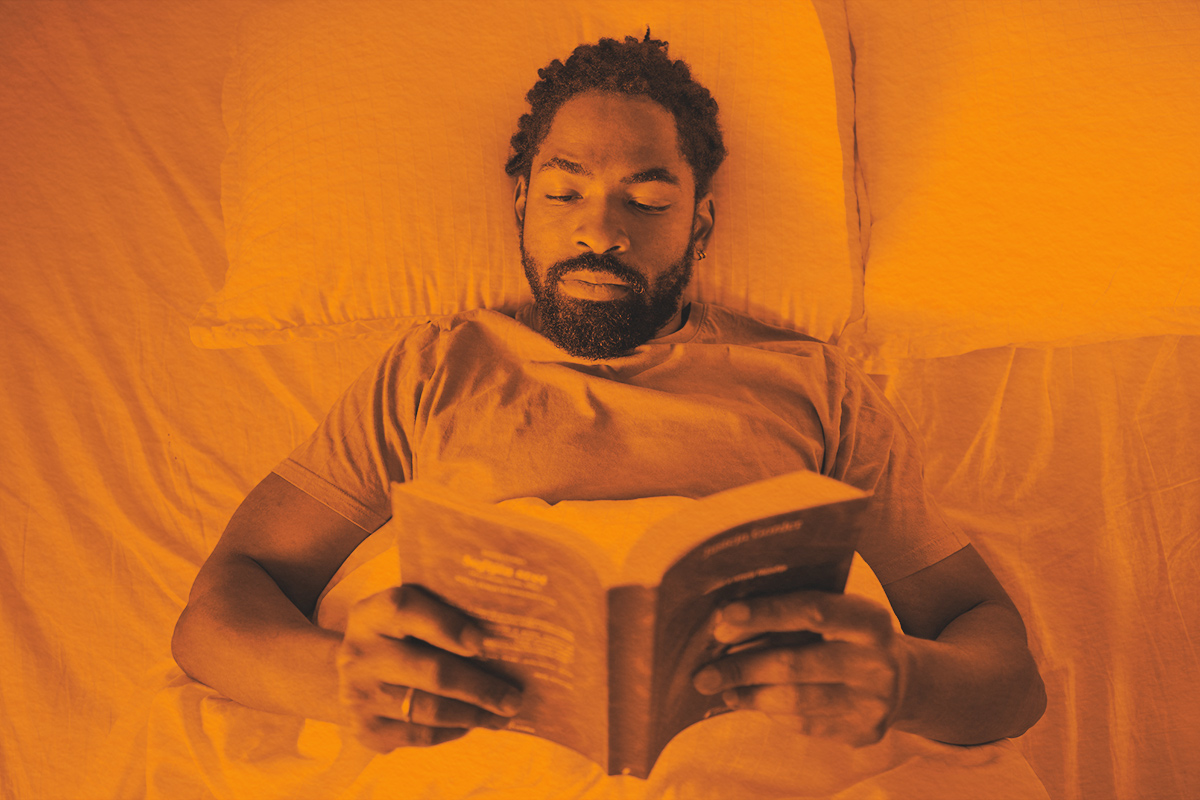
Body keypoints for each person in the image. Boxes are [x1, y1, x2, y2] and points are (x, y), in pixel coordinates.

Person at [172, 33, 1045, 769]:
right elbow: (219, 610)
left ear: (701, 224)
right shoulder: (435, 368)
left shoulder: (813, 384)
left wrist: (907, 680)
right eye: (564, 193)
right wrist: (339, 680)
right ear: (521, 206)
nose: (601, 231)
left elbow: (1006, 672)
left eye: (649, 198)